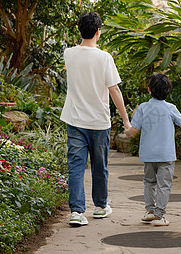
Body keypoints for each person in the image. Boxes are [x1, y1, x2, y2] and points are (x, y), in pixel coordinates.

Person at [60, 12, 131, 227]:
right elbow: (114, 90)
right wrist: (126, 121)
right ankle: (100, 207)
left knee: (76, 166)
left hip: (74, 120)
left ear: (80, 30)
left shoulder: (68, 54)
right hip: (99, 122)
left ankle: (76, 212)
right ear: (98, 31)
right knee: (100, 166)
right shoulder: (104, 58)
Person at [125, 73, 181, 226]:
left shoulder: (142, 108)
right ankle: (159, 216)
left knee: (149, 182)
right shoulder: (171, 108)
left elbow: (133, 130)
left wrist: (127, 130)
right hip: (166, 155)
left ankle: (150, 211)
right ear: (168, 91)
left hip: (148, 155)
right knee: (164, 184)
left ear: (149, 90)